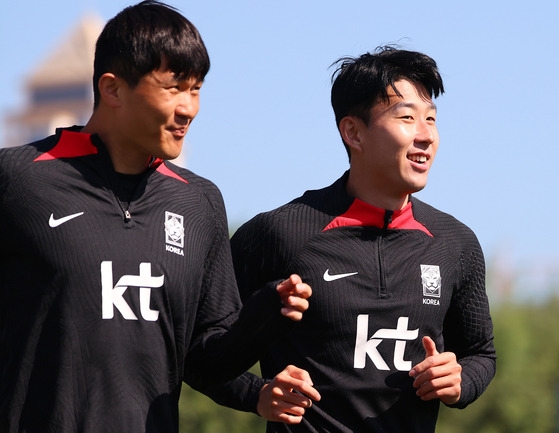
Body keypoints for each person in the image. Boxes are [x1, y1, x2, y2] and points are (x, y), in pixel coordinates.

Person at [0, 2, 319, 432]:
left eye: (197, 88)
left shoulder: (200, 202)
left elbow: (204, 358)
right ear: (112, 89)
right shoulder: (17, 179)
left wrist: (263, 319)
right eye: (174, 87)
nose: (190, 108)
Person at [208, 46, 497, 432]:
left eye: (431, 119)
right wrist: (256, 393)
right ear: (353, 133)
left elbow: (481, 354)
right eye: (407, 118)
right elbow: (200, 349)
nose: (426, 135)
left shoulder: (455, 243)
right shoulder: (279, 233)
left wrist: (460, 380)